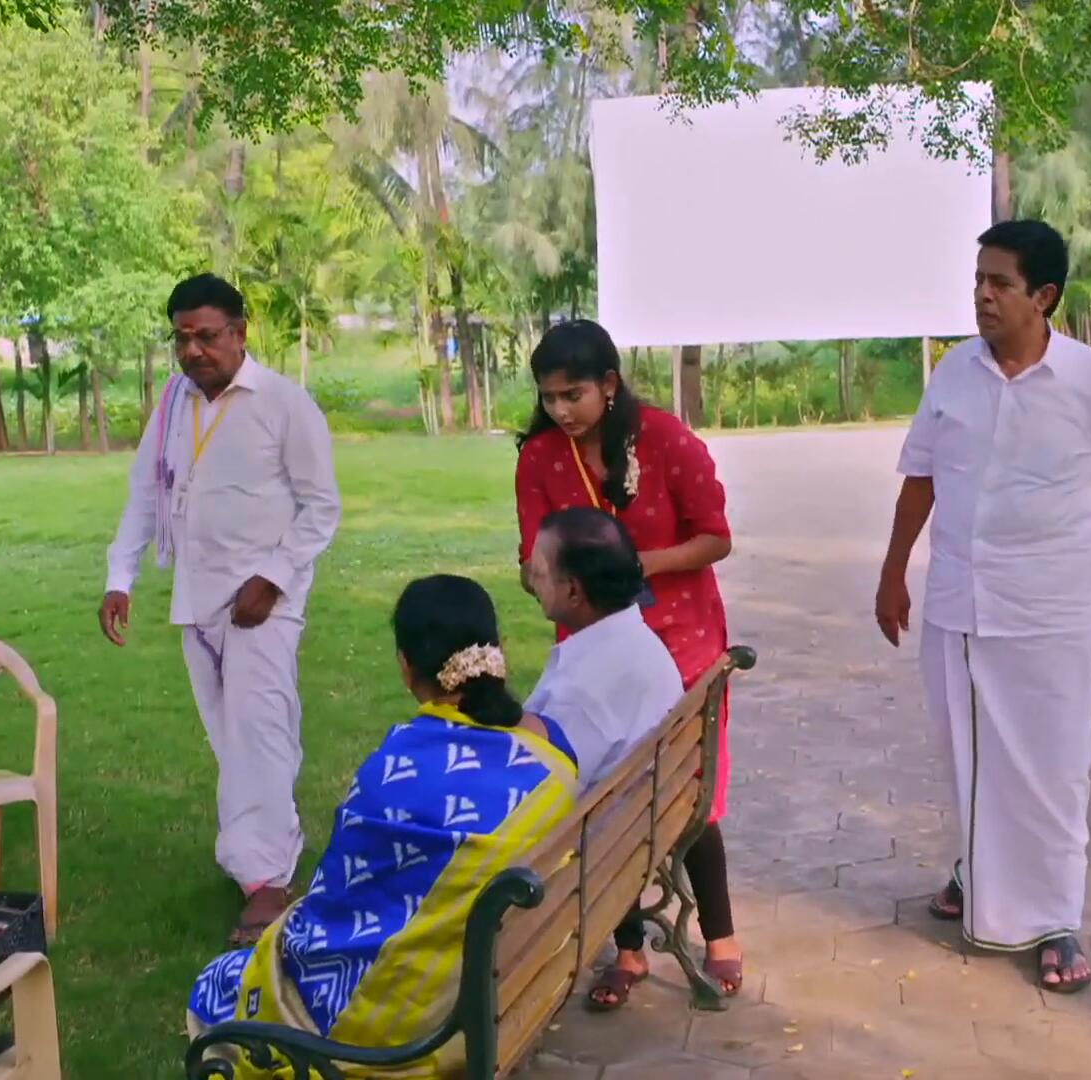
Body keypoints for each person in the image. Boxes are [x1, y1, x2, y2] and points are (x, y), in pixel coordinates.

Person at [874, 220, 1091, 994]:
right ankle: (975, 875)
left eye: (999, 283)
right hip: (959, 604)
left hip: (1052, 610)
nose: (982, 294)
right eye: (978, 280)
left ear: (1043, 296)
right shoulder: (953, 375)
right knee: (967, 756)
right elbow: (920, 481)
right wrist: (893, 572)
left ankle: (1054, 920)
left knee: (1052, 772)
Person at [185, 575, 579, 1074]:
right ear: (498, 649)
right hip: (519, 980)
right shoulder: (552, 750)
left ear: (406, 666)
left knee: (219, 984)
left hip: (415, 1034)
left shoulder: (397, 771)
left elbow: (334, 917)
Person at [101, 272, 342, 947]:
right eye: (182, 338)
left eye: (207, 336)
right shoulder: (174, 402)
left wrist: (272, 578)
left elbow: (322, 508)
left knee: (261, 731)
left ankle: (268, 882)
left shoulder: (284, 404)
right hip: (197, 597)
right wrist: (121, 576)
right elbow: (146, 491)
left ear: (239, 333)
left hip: (264, 603)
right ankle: (254, 856)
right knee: (230, 737)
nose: (193, 351)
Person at [512, 319, 742, 1008]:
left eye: (573, 394)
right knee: (599, 793)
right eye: (549, 397)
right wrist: (552, 580)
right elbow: (531, 558)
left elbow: (716, 538)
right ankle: (629, 950)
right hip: (594, 643)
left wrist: (639, 565)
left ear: (609, 385)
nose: (560, 410)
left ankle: (722, 938)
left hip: (681, 636)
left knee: (686, 790)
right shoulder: (540, 458)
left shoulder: (665, 439)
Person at [524, 506, 685, 789]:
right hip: (638, 810)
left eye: (537, 573)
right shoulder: (637, 641)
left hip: (590, 817)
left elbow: (529, 787)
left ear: (572, 591)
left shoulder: (579, 694)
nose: (530, 582)